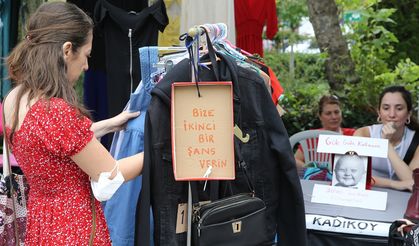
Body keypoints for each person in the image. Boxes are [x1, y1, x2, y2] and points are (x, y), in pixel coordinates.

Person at [3, 2, 143, 244]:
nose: (87, 66)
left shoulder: (15, 98)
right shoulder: (56, 111)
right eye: (86, 55)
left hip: (42, 224)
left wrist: (109, 124)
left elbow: (51, 143)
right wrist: (159, 150)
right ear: (67, 50)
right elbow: (110, 176)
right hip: (74, 228)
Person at [354, 85, 419, 191]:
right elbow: (354, 175)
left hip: (403, 200)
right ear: (379, 112)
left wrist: (386, 144)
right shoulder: (363, 134)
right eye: (386, 108)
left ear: (408, 114)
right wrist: (394, 184)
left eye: (399, 108)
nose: (392, 114)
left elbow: (413, 183)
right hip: (368, 193)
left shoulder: (416, 141)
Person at [294, 95, 355, 169]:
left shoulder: (353, 135)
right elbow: (296, 160)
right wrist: (311, 171)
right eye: (328, 113)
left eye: (336, 112)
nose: (334, 117)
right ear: (320, 116)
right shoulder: (312, 137)